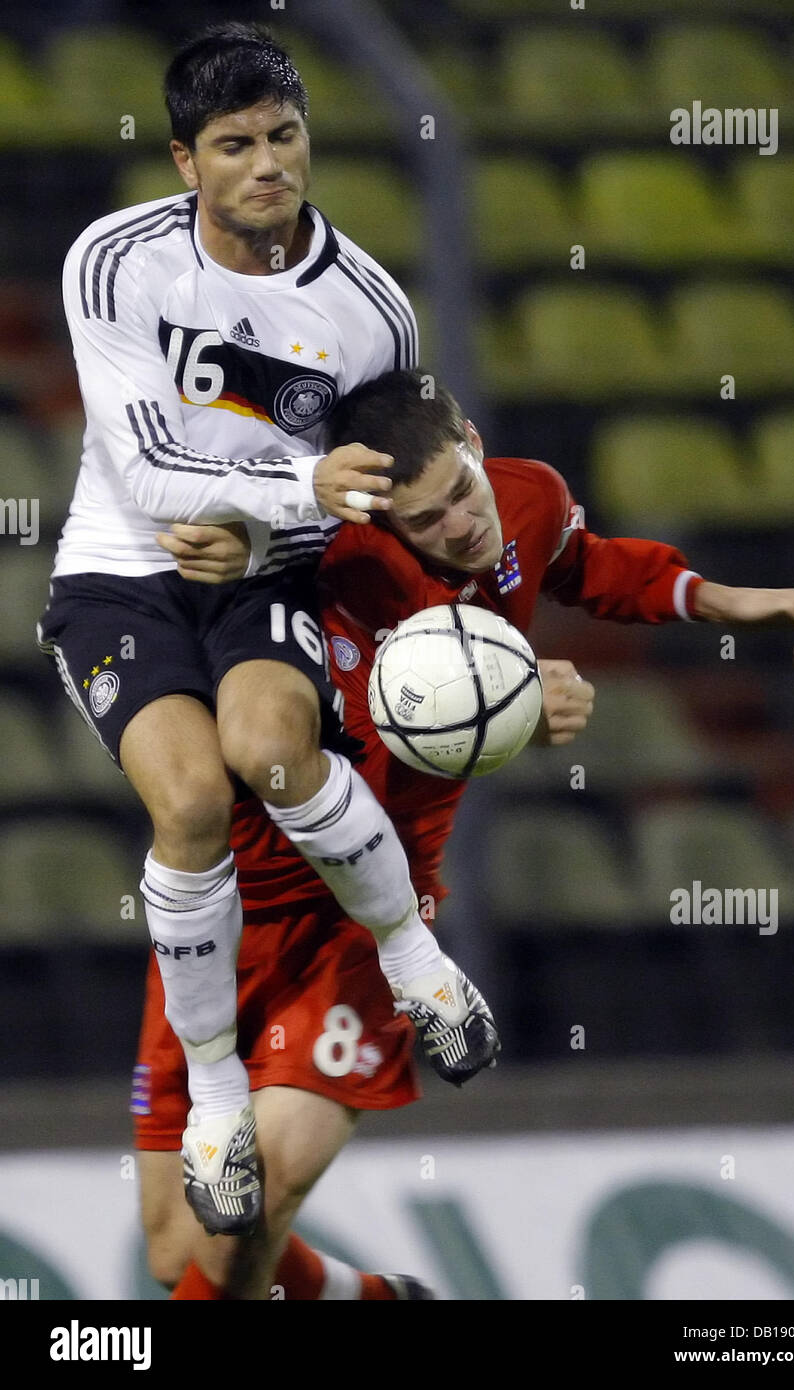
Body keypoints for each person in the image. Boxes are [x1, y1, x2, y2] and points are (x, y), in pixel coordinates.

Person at [137, 368, 794, 1299]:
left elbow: (583, 561)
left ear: (469, 438)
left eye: (461, 491)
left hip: (371, 920)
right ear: (378, 524)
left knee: (251, 1207)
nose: (462, 525)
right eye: (424, 522)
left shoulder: (525, 495)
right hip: (228, 908)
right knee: (175, 1249)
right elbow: (308, 716)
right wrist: (500, 702)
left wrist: (718, 598)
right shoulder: (320, 568)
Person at [36, 24, 498, 1241]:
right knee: (189, 804)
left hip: (263, 573)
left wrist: (264, 537)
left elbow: (375, 494)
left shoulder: (369, 312)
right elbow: (145, 462)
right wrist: (274, 502)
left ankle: (416, 960)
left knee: (273, 749)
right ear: (186, 159)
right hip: (122, 575)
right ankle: (217, 1099)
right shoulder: (114, 261)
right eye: (234, 145)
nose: (266, 166)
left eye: (283, 137)